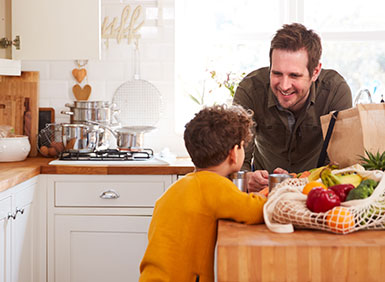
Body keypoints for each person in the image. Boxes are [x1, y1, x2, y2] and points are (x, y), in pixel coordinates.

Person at [139, 105, 267, 282]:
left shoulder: (178, 187)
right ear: (233, 154)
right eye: (243, 146)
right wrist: (268, 193)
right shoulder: (214, 185)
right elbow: (255, 210)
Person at [233, 23, 352, 191]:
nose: (284, 85)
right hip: (260, 195)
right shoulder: (250, 90)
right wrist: (246, 178)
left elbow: (339, 165)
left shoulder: (335, 91)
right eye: (276, 73)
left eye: (294, 75)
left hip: (316, 194)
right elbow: (236, 157)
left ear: (315, 72)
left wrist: (298, 181)